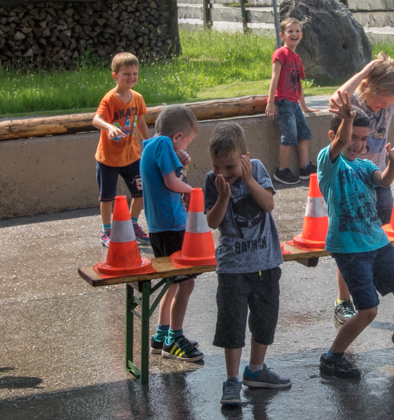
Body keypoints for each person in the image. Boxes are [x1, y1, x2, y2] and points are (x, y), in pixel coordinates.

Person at [318, 92, 394, 378]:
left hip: (377, 242)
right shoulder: (329, 163)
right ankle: (332, 358)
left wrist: (393, 163)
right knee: (368, 311)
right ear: (336, 133)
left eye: (364, 139)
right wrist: (348, 118)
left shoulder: (365, 165)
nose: (359, 144)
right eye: (354, 137)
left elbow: (383, 181)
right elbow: (340, 143)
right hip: (350, 248)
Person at [328, 53, 394, 326]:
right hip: (351, 180)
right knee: (352, 244)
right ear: (368, 86)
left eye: (389, 103)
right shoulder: (355, 101)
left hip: (380, 179)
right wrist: (366, 71)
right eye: (380, 101)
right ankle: (344, 301)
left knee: (392, 237)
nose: (383, 107)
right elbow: (336, 96)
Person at [204, 123, 291, 406]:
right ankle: (231, 381)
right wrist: (224, 196)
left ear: (244, 158)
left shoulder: (257, 169)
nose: (223, 174)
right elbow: (211, 222)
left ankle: (256, 370)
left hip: (266, 262)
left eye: (229, 167)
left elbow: (268, 205)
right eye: (217, 167)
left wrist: (249, 180)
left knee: (264, 320)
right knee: (232, 324)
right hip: (232, 268)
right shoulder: (212, 181)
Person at [140, 105, 204, 363]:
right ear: (177, 136)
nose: (186, 145)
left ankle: (161, 334)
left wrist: (182, 167)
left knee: (172, 281)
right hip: (171, 226)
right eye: (188, 140)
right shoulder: (165, 145)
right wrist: (192, 190)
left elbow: (170, 178)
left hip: (160, 227)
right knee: (185, 283)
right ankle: (174, 338)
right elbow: (171, 184)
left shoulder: (151, 145)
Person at [92, 52, 150, 247]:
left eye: (135, 73)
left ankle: (133, 224)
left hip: (132, 156)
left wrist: (148, 143)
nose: (132, 77)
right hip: (108, 158)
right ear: (115, 76)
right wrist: (109, 127)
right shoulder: (110, 99)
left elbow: (140, 120)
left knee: (141, 192)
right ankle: (106, 230)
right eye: (126, 73)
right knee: (107, 196)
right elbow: (96, 119)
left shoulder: (137, 98)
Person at [264, 17, 319, 185]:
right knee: (289, 136)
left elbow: (298, 84)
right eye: (290, 31)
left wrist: (304, 106)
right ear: (282, 35)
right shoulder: (280, 53)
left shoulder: (297, 59)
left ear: (301, 35)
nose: (294, 34)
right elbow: (275, 77)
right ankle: (281, 170)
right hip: (282, 102)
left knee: (304, 134)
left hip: (294, 104)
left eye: (297, 31)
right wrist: (271, 102)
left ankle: (304, 167)